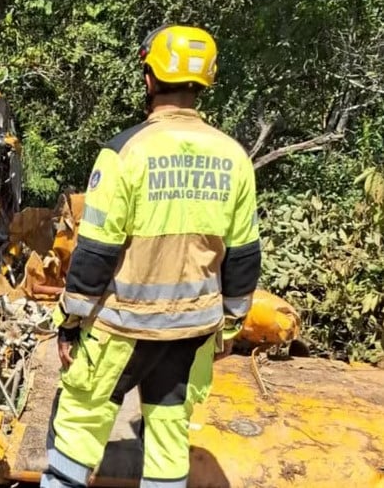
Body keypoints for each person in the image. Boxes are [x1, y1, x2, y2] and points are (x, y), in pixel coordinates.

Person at [41, 24, 261, 488]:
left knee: (78, 430)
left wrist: (69, 321)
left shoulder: (125, 153)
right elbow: (243, 257)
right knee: (166, 440)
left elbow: (96, 252)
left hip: (123, 326)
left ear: (148, 78)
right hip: (191, 331)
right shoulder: (234, 158)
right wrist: (230, 327)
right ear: (205, 82)